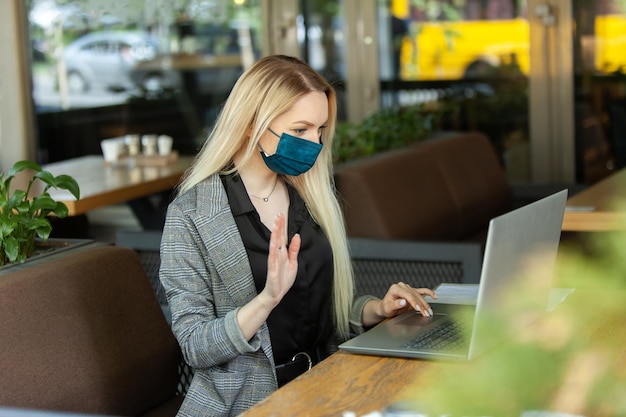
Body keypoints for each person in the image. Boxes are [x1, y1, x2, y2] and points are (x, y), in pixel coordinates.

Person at [159, 54, 436, 416]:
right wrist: (267, 299)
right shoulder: (191, 215)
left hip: (328, 386)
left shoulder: (309, 197)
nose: (314, 144)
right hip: (246, 405)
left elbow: (320, 314)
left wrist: (376, 310)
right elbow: (196, 346)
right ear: (250, 123)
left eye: (320, 131)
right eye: (300, 130)